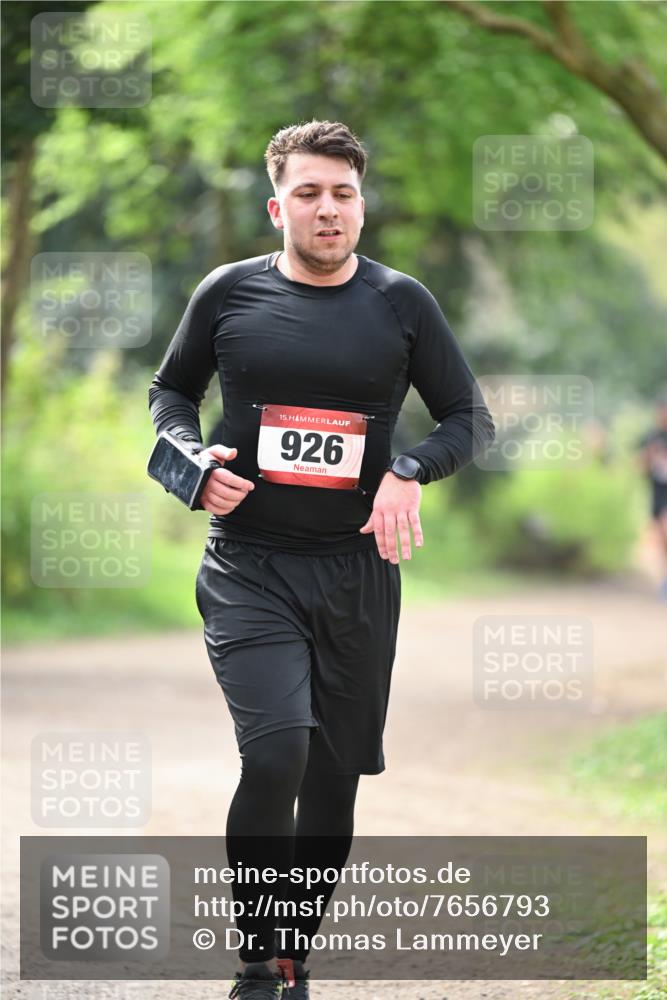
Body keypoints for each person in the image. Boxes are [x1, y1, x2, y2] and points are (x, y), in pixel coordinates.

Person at [148, 119, 495, 998]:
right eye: (308, 193)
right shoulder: (228, 295)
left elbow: (466, 417)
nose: (327, 209)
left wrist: (409, 470)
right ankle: (258, 955)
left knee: (334, 775)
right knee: (277, 755)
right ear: (277, 207)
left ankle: (297, 949)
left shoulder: (401, 304)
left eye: (342, 193)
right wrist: (192, 470)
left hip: (355, 575)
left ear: (361, 206)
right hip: (249, 567)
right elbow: (170, 395)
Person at [638, 395, 667, 598]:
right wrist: (647, 457)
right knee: (661, 540)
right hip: (657, 493)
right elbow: (641, 468)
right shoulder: (650, 437)